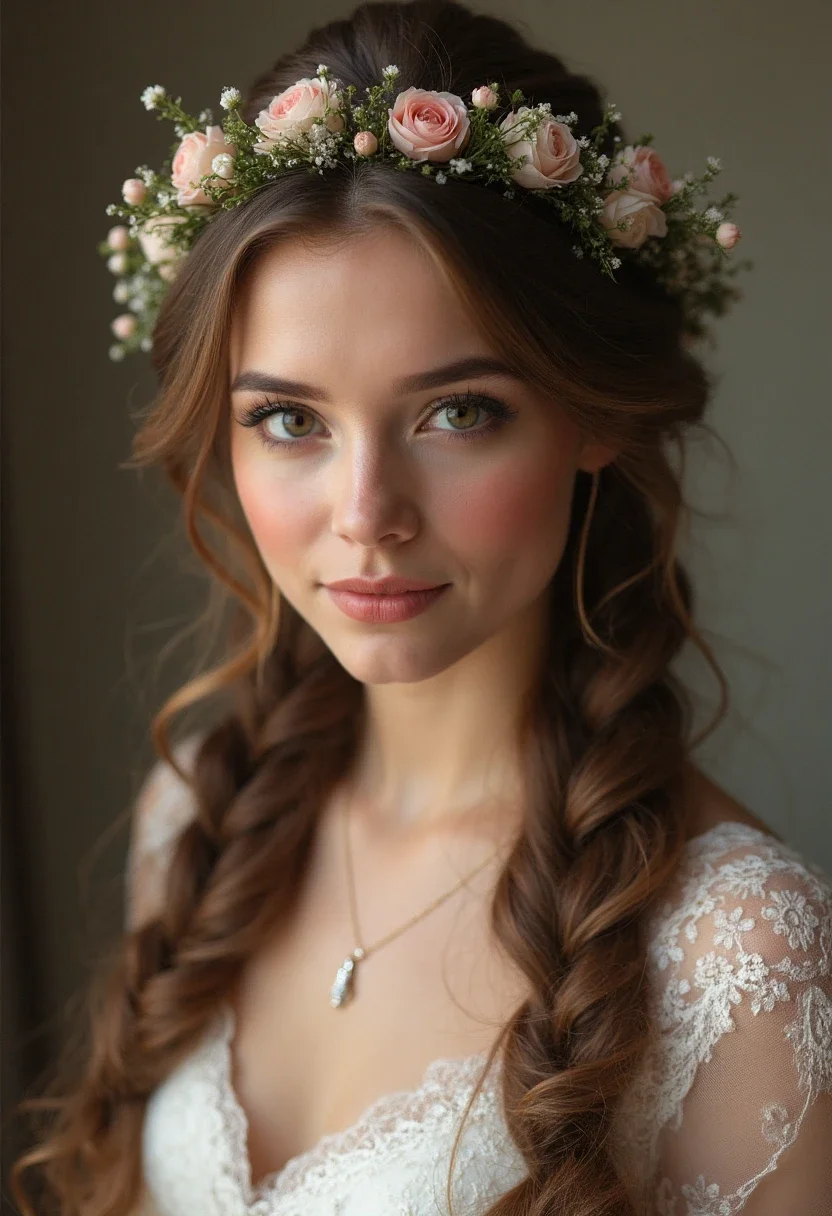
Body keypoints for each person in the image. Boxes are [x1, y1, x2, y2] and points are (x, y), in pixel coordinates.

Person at [11, 1, 831, 1213]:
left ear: (594, 413)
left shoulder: (737, 958)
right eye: (289, 419)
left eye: (459, 412)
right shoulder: (196, 814)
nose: (367, 511)